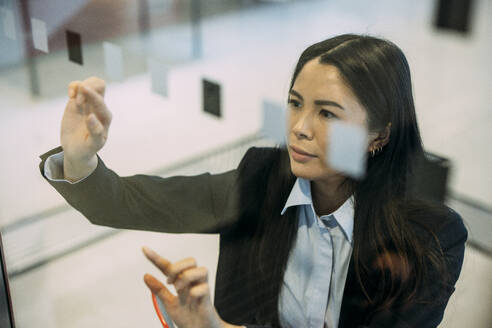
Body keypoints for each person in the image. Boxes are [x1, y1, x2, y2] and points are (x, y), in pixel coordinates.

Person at [38, 34, 467, 328]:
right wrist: (80, 158)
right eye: (295, 104)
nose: (299, 127)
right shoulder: (260, 179)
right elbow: (126, 202)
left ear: (380, 134)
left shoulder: (430, 237)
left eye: (327, 113)